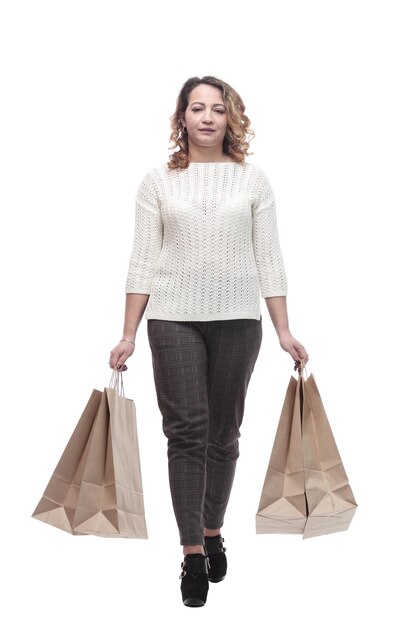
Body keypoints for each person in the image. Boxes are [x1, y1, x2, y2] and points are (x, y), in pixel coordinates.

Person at [109, 75, 309, 607]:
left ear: (231, 118)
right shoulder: (157, 182)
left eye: (217, 109)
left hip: (240, 320)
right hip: (172, 319)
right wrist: (128, 333)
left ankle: (215, 528)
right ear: (182, 118)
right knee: (186, 433)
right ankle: (193, 553)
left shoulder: (253, 181)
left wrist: (284, 329)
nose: (206, 117)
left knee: (224, 433)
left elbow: (269, 257)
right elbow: (142, 259)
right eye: (196, 108)